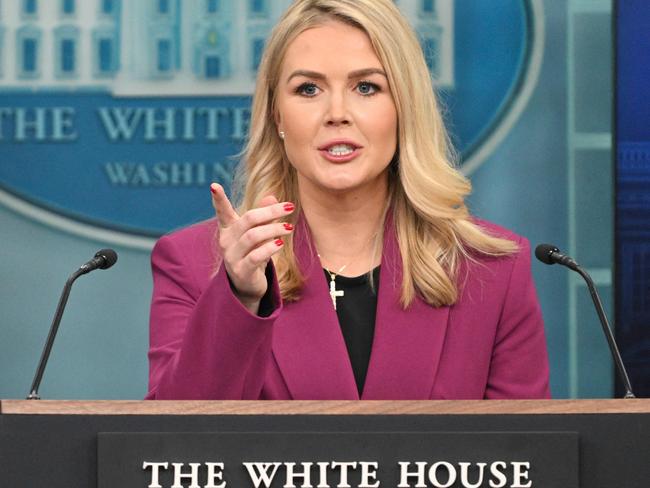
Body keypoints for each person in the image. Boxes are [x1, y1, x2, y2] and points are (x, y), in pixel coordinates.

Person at [146, 0, 550, 400]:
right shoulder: (193, 265)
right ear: (277, 116)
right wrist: (240, 298)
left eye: (366, 87)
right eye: (308, 89)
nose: (336, 113)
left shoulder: (493, 271)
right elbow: (166, 450)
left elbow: (528, 458)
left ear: (404, 108)